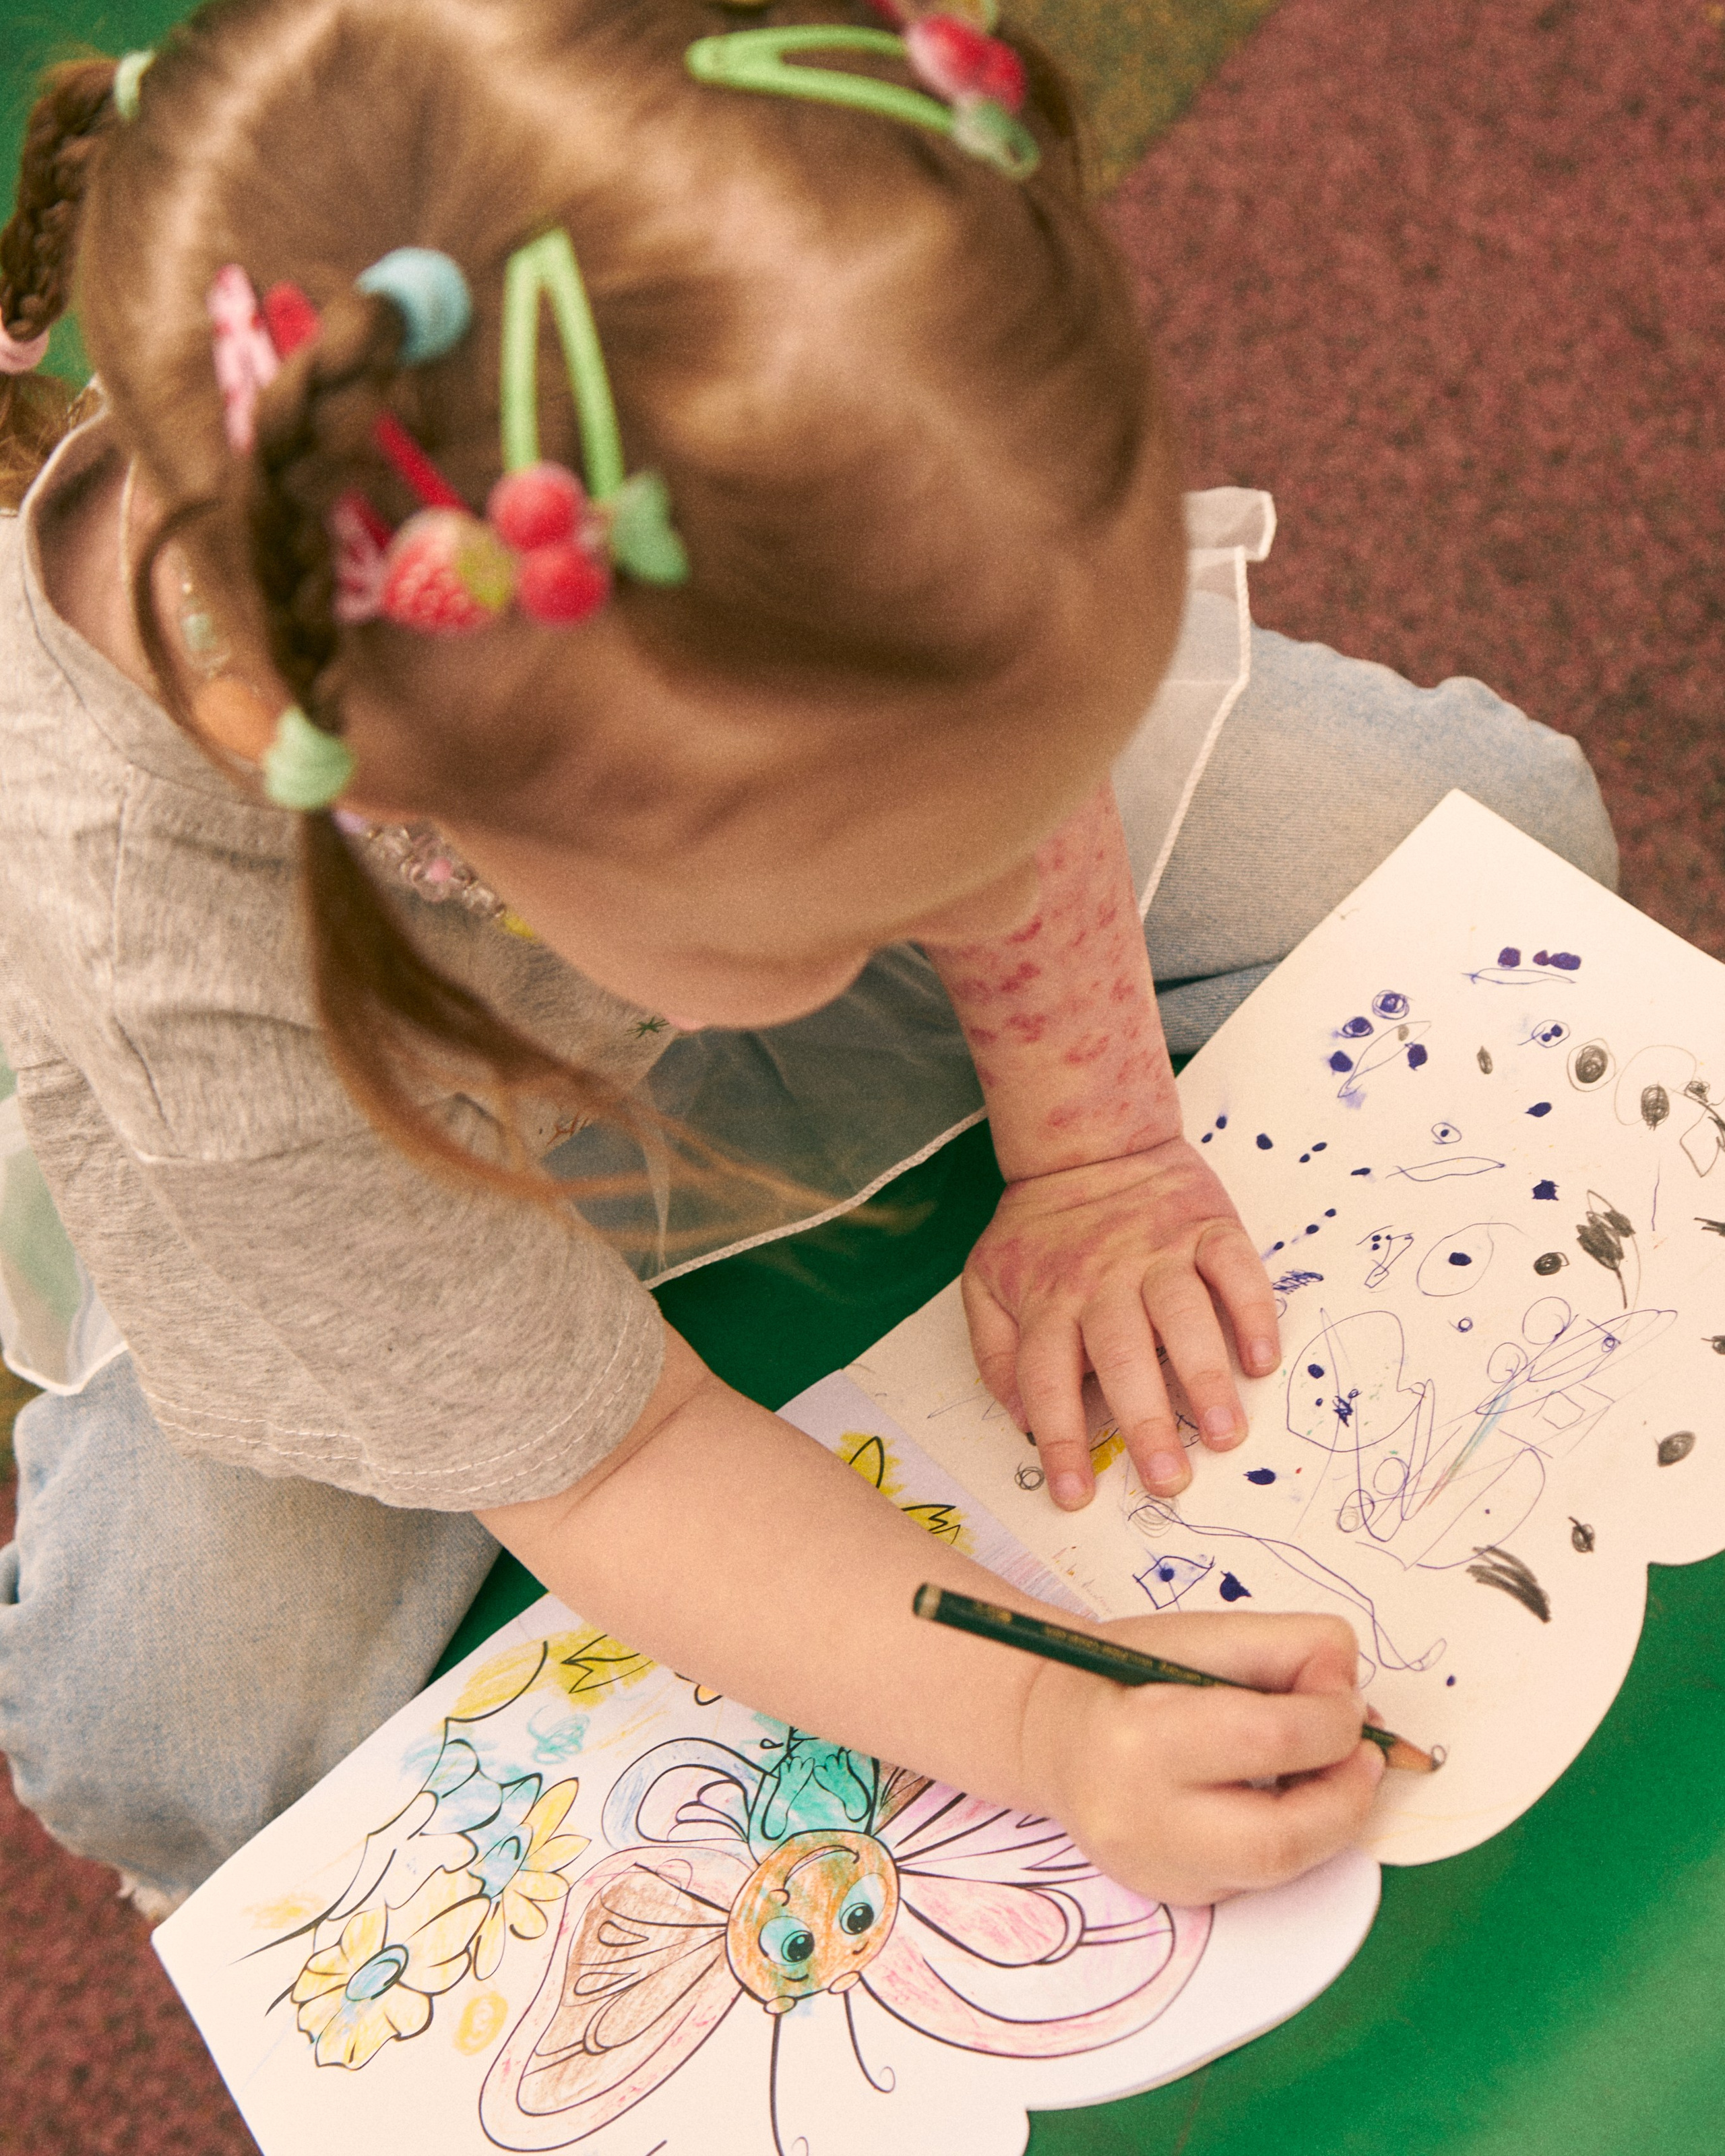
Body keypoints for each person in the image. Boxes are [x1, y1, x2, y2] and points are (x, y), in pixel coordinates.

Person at [0, 0, 1616, 1918]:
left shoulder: (805, 440)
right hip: (386, 1118)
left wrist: (1096, 1142)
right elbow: (604, 1465)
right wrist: (1045, 1725)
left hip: (670, 860)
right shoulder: (177, 956)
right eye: (874, 893)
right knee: (176, 1703)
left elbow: (993, 825)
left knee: (1471, 838)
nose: (965, 883)